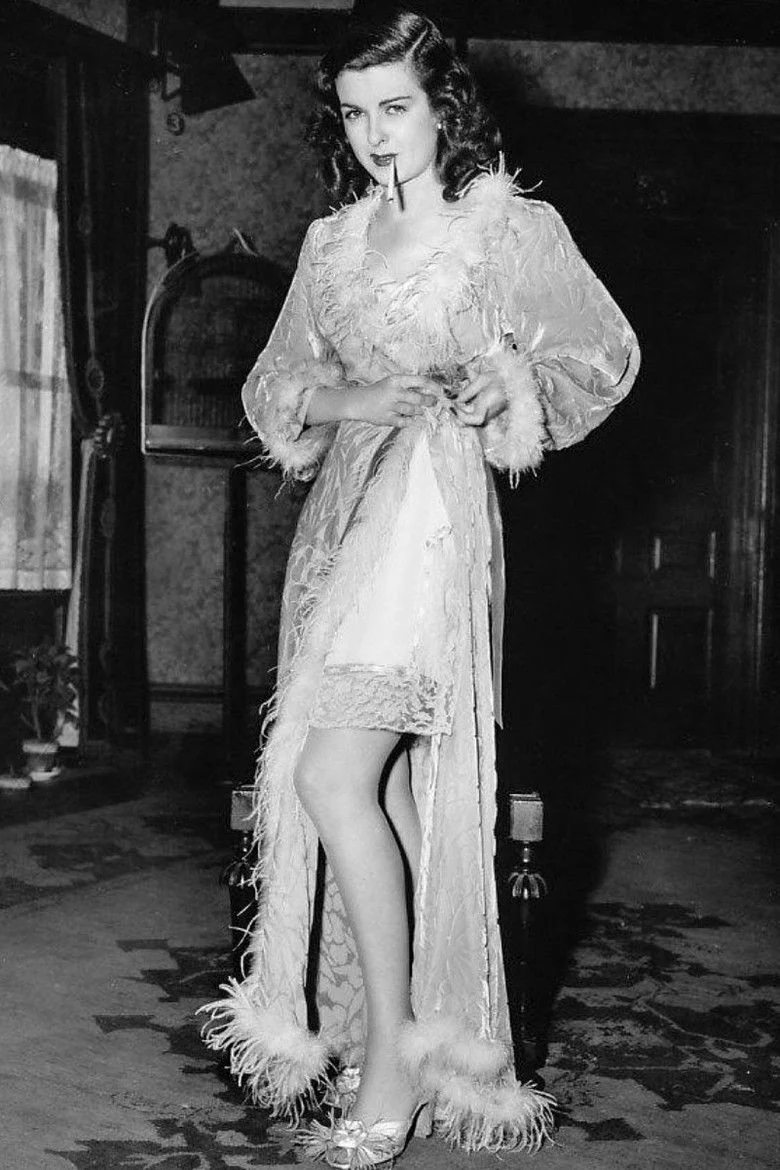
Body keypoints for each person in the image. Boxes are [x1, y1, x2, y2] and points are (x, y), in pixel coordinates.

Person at [201, 8, 640, 1167]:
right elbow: (275, 386)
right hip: (346, 527)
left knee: (329, 773)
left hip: (434, 525)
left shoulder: (507, 230)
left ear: (444, 106)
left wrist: (505, 385)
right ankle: (411, 1039)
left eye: (396, 106)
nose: (376, 134)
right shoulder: (333, 244)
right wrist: (350, 400)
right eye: (355, 113)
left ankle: (393, 1059)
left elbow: (600, 356)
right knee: (389, 789)